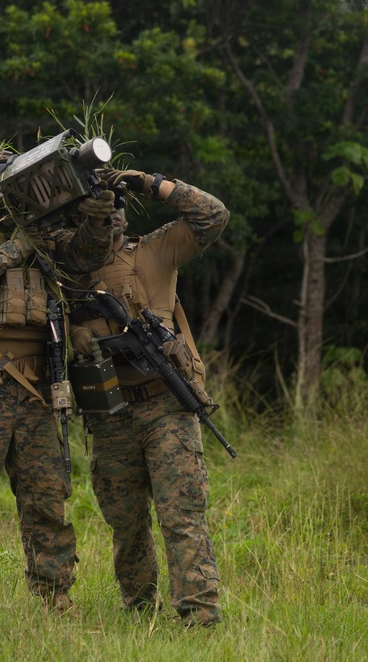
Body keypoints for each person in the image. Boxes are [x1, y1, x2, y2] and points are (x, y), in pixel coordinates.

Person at [0, 142, 116, 612]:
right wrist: (18, 247)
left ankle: (54, 598)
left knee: (46, 502)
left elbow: (88, 258)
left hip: (36, 393)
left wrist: (97, 215)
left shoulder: (44, 243)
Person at [69, 167, 229, 627]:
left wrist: (146, 181)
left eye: (116, 210)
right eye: (99, 214)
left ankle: (199, 615)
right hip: (109, 411)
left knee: (182, 514)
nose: (110, 221)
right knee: (125, 521)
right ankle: (139, 610)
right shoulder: (70, 267)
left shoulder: (155, 251)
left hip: (166, 405)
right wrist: (79, 333)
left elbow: (213, 215)